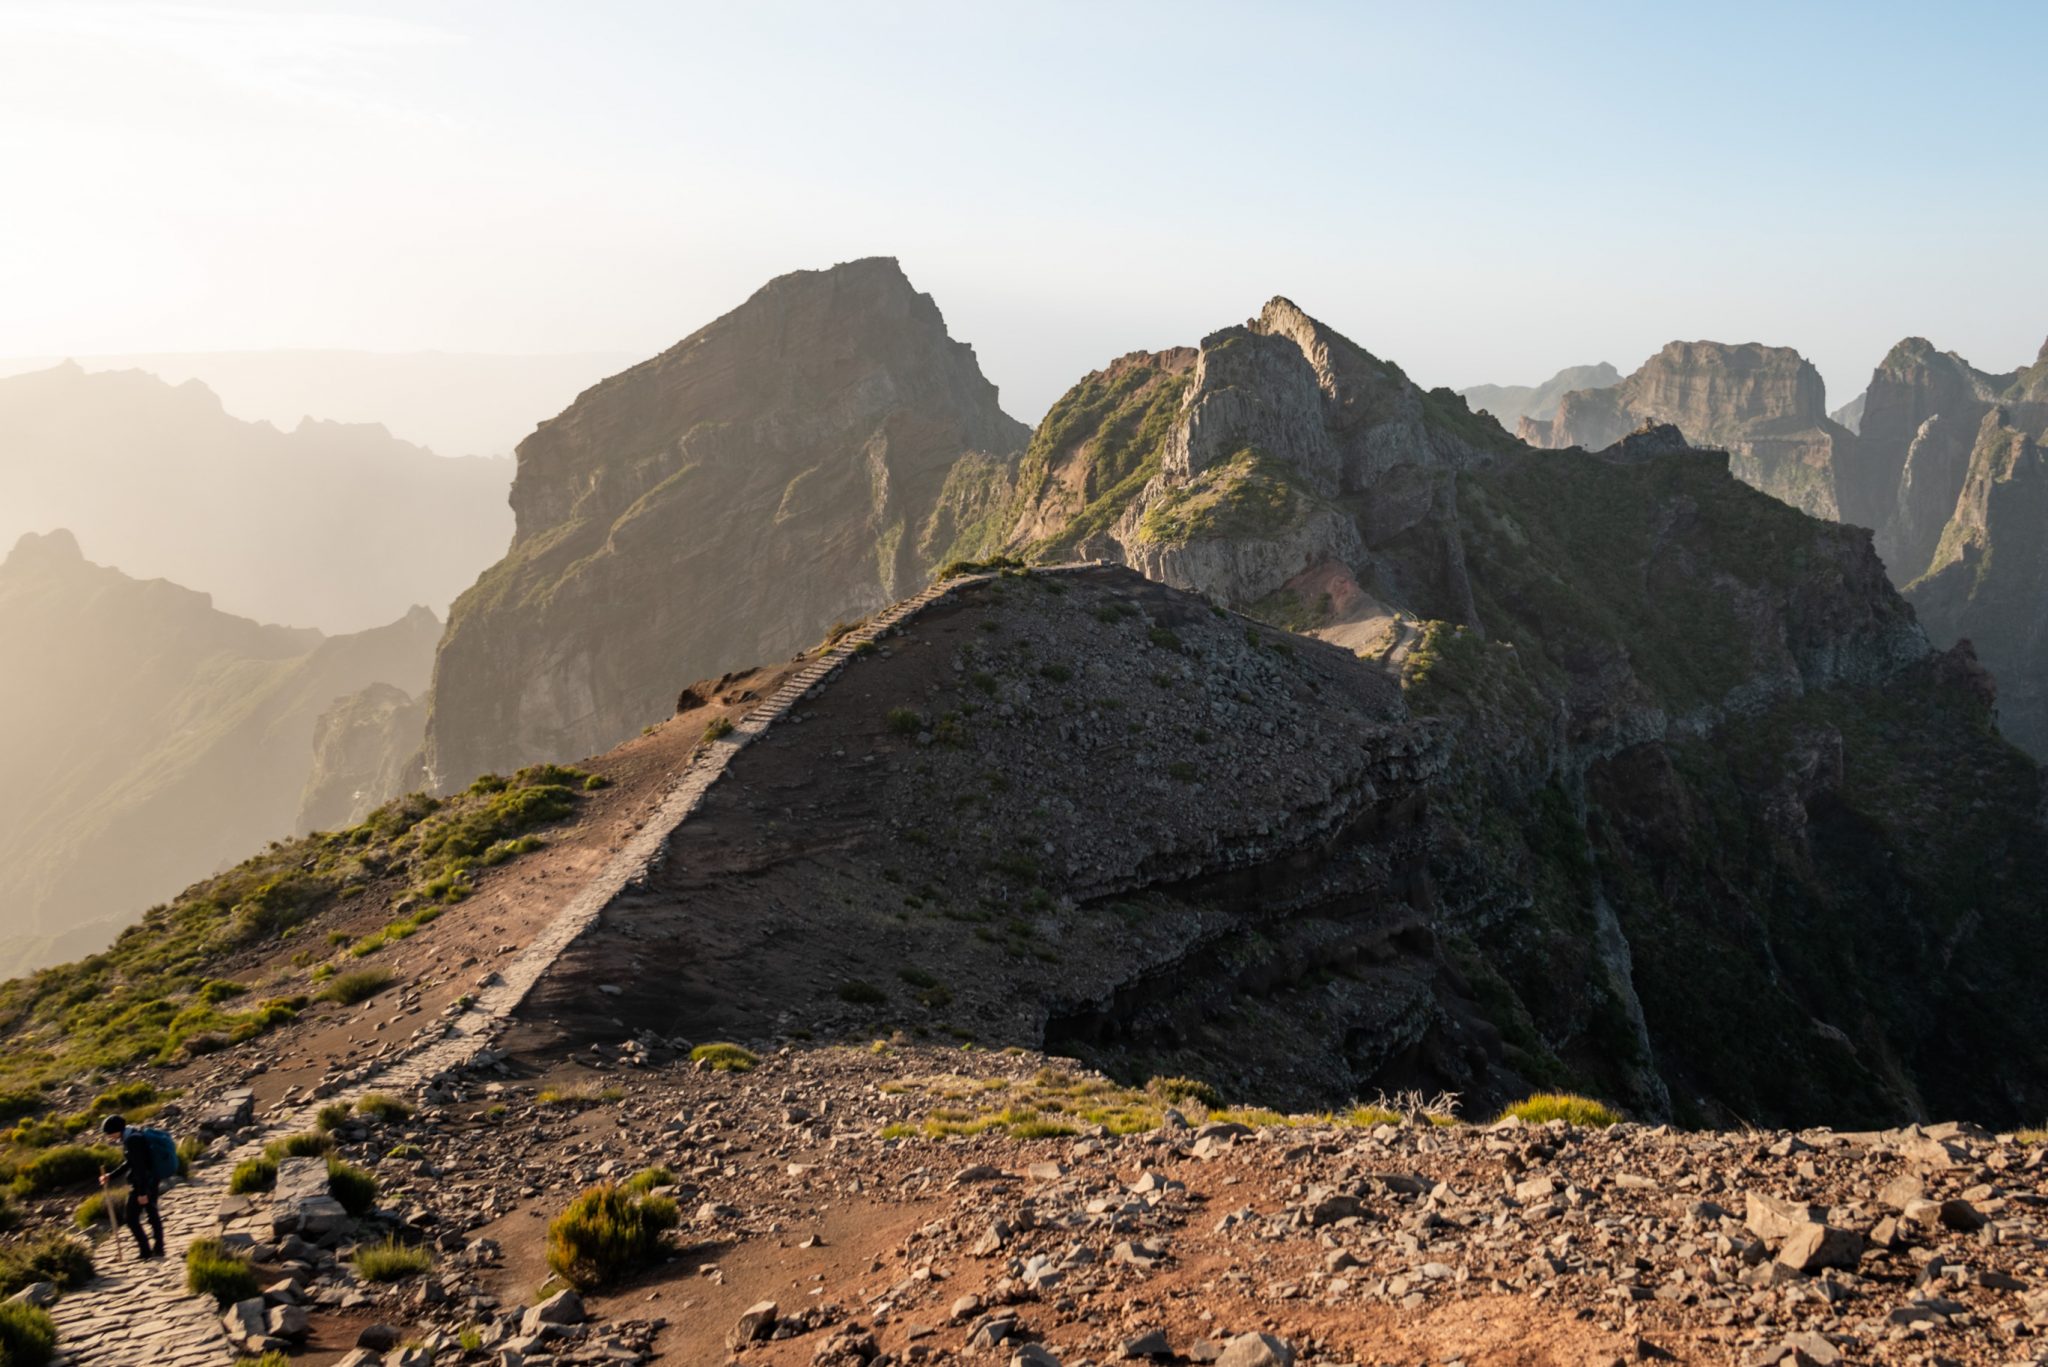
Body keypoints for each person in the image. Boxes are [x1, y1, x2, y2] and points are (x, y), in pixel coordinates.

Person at [98, 1115, 165, 1260]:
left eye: (109, 1133)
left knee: (131, 1218)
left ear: (116, 1130)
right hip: (152, 1180)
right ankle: (158, 1248)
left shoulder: (132, 1141)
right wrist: (111, 1175)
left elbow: (139, 1167)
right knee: (152, 1214)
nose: (109, 1136)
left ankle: (146, 1250)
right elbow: (130, 1162)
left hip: (143, 1183)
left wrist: (141, 1192)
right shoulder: (134, 1134)